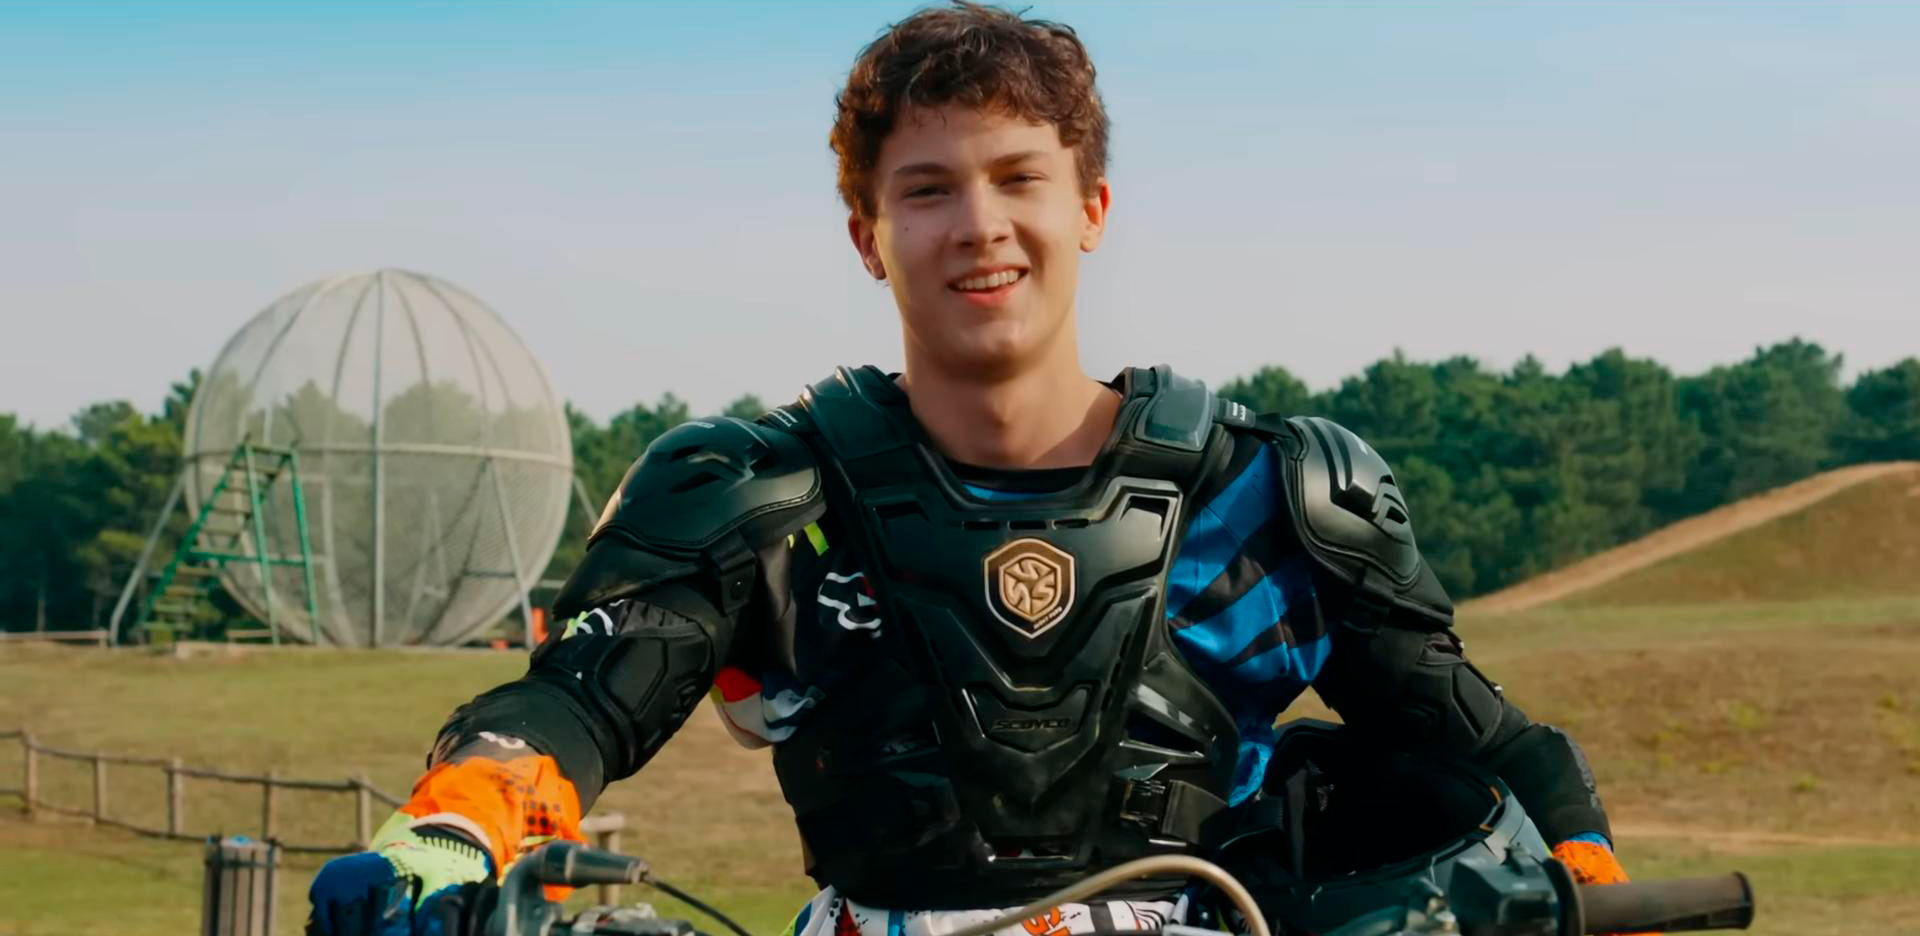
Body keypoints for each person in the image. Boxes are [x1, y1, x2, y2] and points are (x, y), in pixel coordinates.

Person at [307, 4, 1638, 934]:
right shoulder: (761, 501)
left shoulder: (1272, 501)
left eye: (1019, 178)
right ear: (867, 234)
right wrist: (449, 834)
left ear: (1092, 208)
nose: (980, 226)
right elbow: (577, 705)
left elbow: (1489, 744)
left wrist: (1583, 867)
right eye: (929, 188)